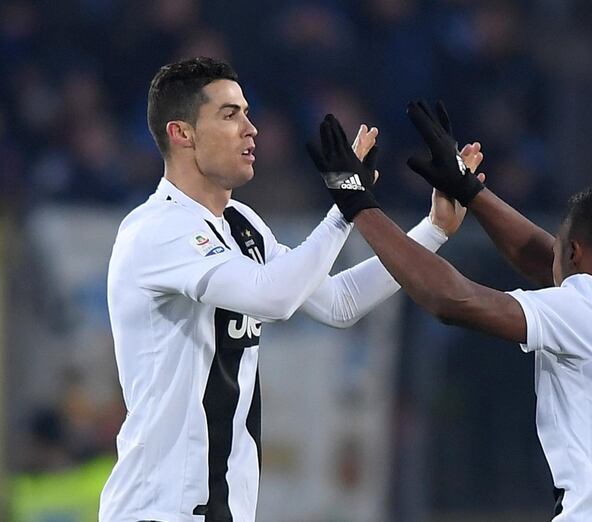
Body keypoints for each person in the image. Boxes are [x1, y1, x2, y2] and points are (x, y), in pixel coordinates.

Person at [304, 103, 592, 520]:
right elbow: (554, 263)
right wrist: (471, 191)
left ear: (572, 251)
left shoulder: (584, 310)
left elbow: (450, 299)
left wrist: (357, 202)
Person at [100, 59, 483, 522]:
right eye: (229, 115)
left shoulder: (242, 225)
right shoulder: (157, 230)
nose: (251, 129)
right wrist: (347, 207)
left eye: (247, 112)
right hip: (157, 510)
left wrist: (433, 230)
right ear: (182, 134)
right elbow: (274, 298)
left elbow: (340, 303)